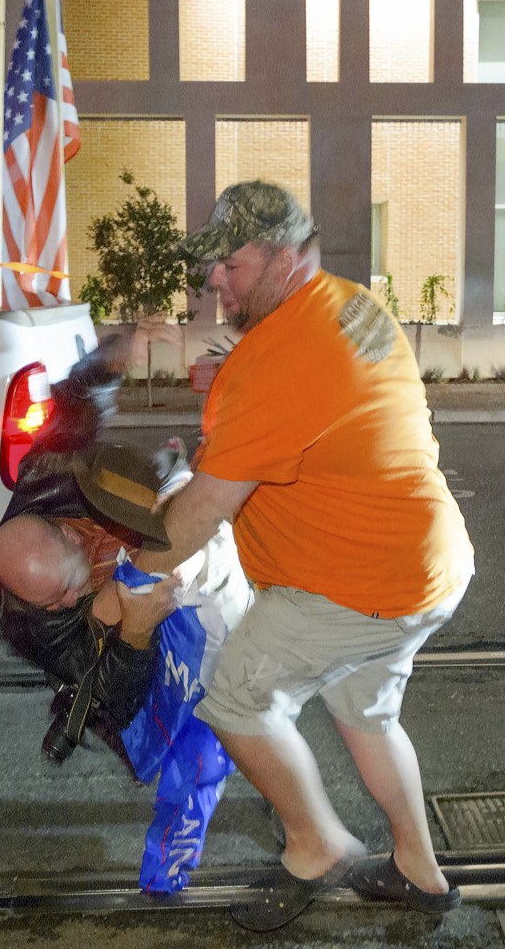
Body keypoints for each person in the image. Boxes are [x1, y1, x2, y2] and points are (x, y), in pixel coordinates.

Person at [100, 180, 474, 930]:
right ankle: (418, 872)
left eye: (229, 266)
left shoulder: (277, 358)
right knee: (364, 711)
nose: (212, 280)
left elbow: (204, 510)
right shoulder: (351, 305)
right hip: (423, 560)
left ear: (286, 257)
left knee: (237, 701)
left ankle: (316, 845)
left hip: (351, 582)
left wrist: (129, 581)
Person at [0, 322, 252, 891]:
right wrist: (133, 633)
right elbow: (108, 693)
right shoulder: (32, 621)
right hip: (129, 649)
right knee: (194, 725)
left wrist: (118, 350)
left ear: (75, 535)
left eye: (66, 588)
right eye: (51, 602)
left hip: (156, 556)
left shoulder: (51, 474)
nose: (65, 603)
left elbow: (75, 395)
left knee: (245, 666)